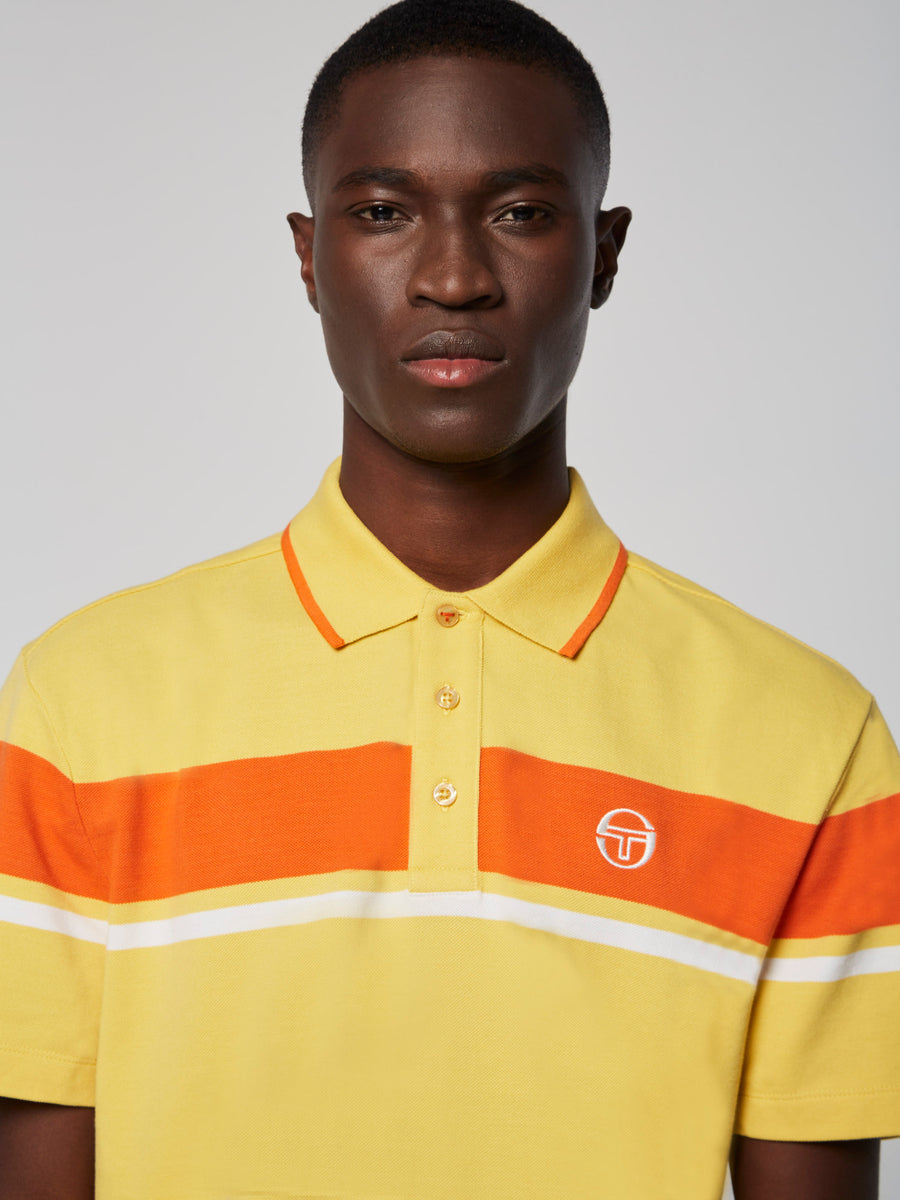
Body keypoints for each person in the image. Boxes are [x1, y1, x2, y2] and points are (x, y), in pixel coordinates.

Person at [0, 0, 897, 1196]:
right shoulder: (80, 703)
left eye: (521, 213)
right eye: (383, 212)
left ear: (606, 254)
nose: (454, 277)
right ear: (310, 257)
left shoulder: (810, 736)